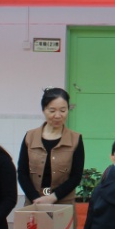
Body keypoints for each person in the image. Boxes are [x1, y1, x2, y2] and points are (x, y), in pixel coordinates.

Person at [17, 88, 85, 221]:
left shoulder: (75, 139)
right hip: (34, 203)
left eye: (63, 110)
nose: (58, 115)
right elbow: (22, 172)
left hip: (63, 205)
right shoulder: (30, 136)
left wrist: (53, 197)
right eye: (52, 111)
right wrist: (36, 198)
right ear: (44, 110)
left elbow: (76, 176)